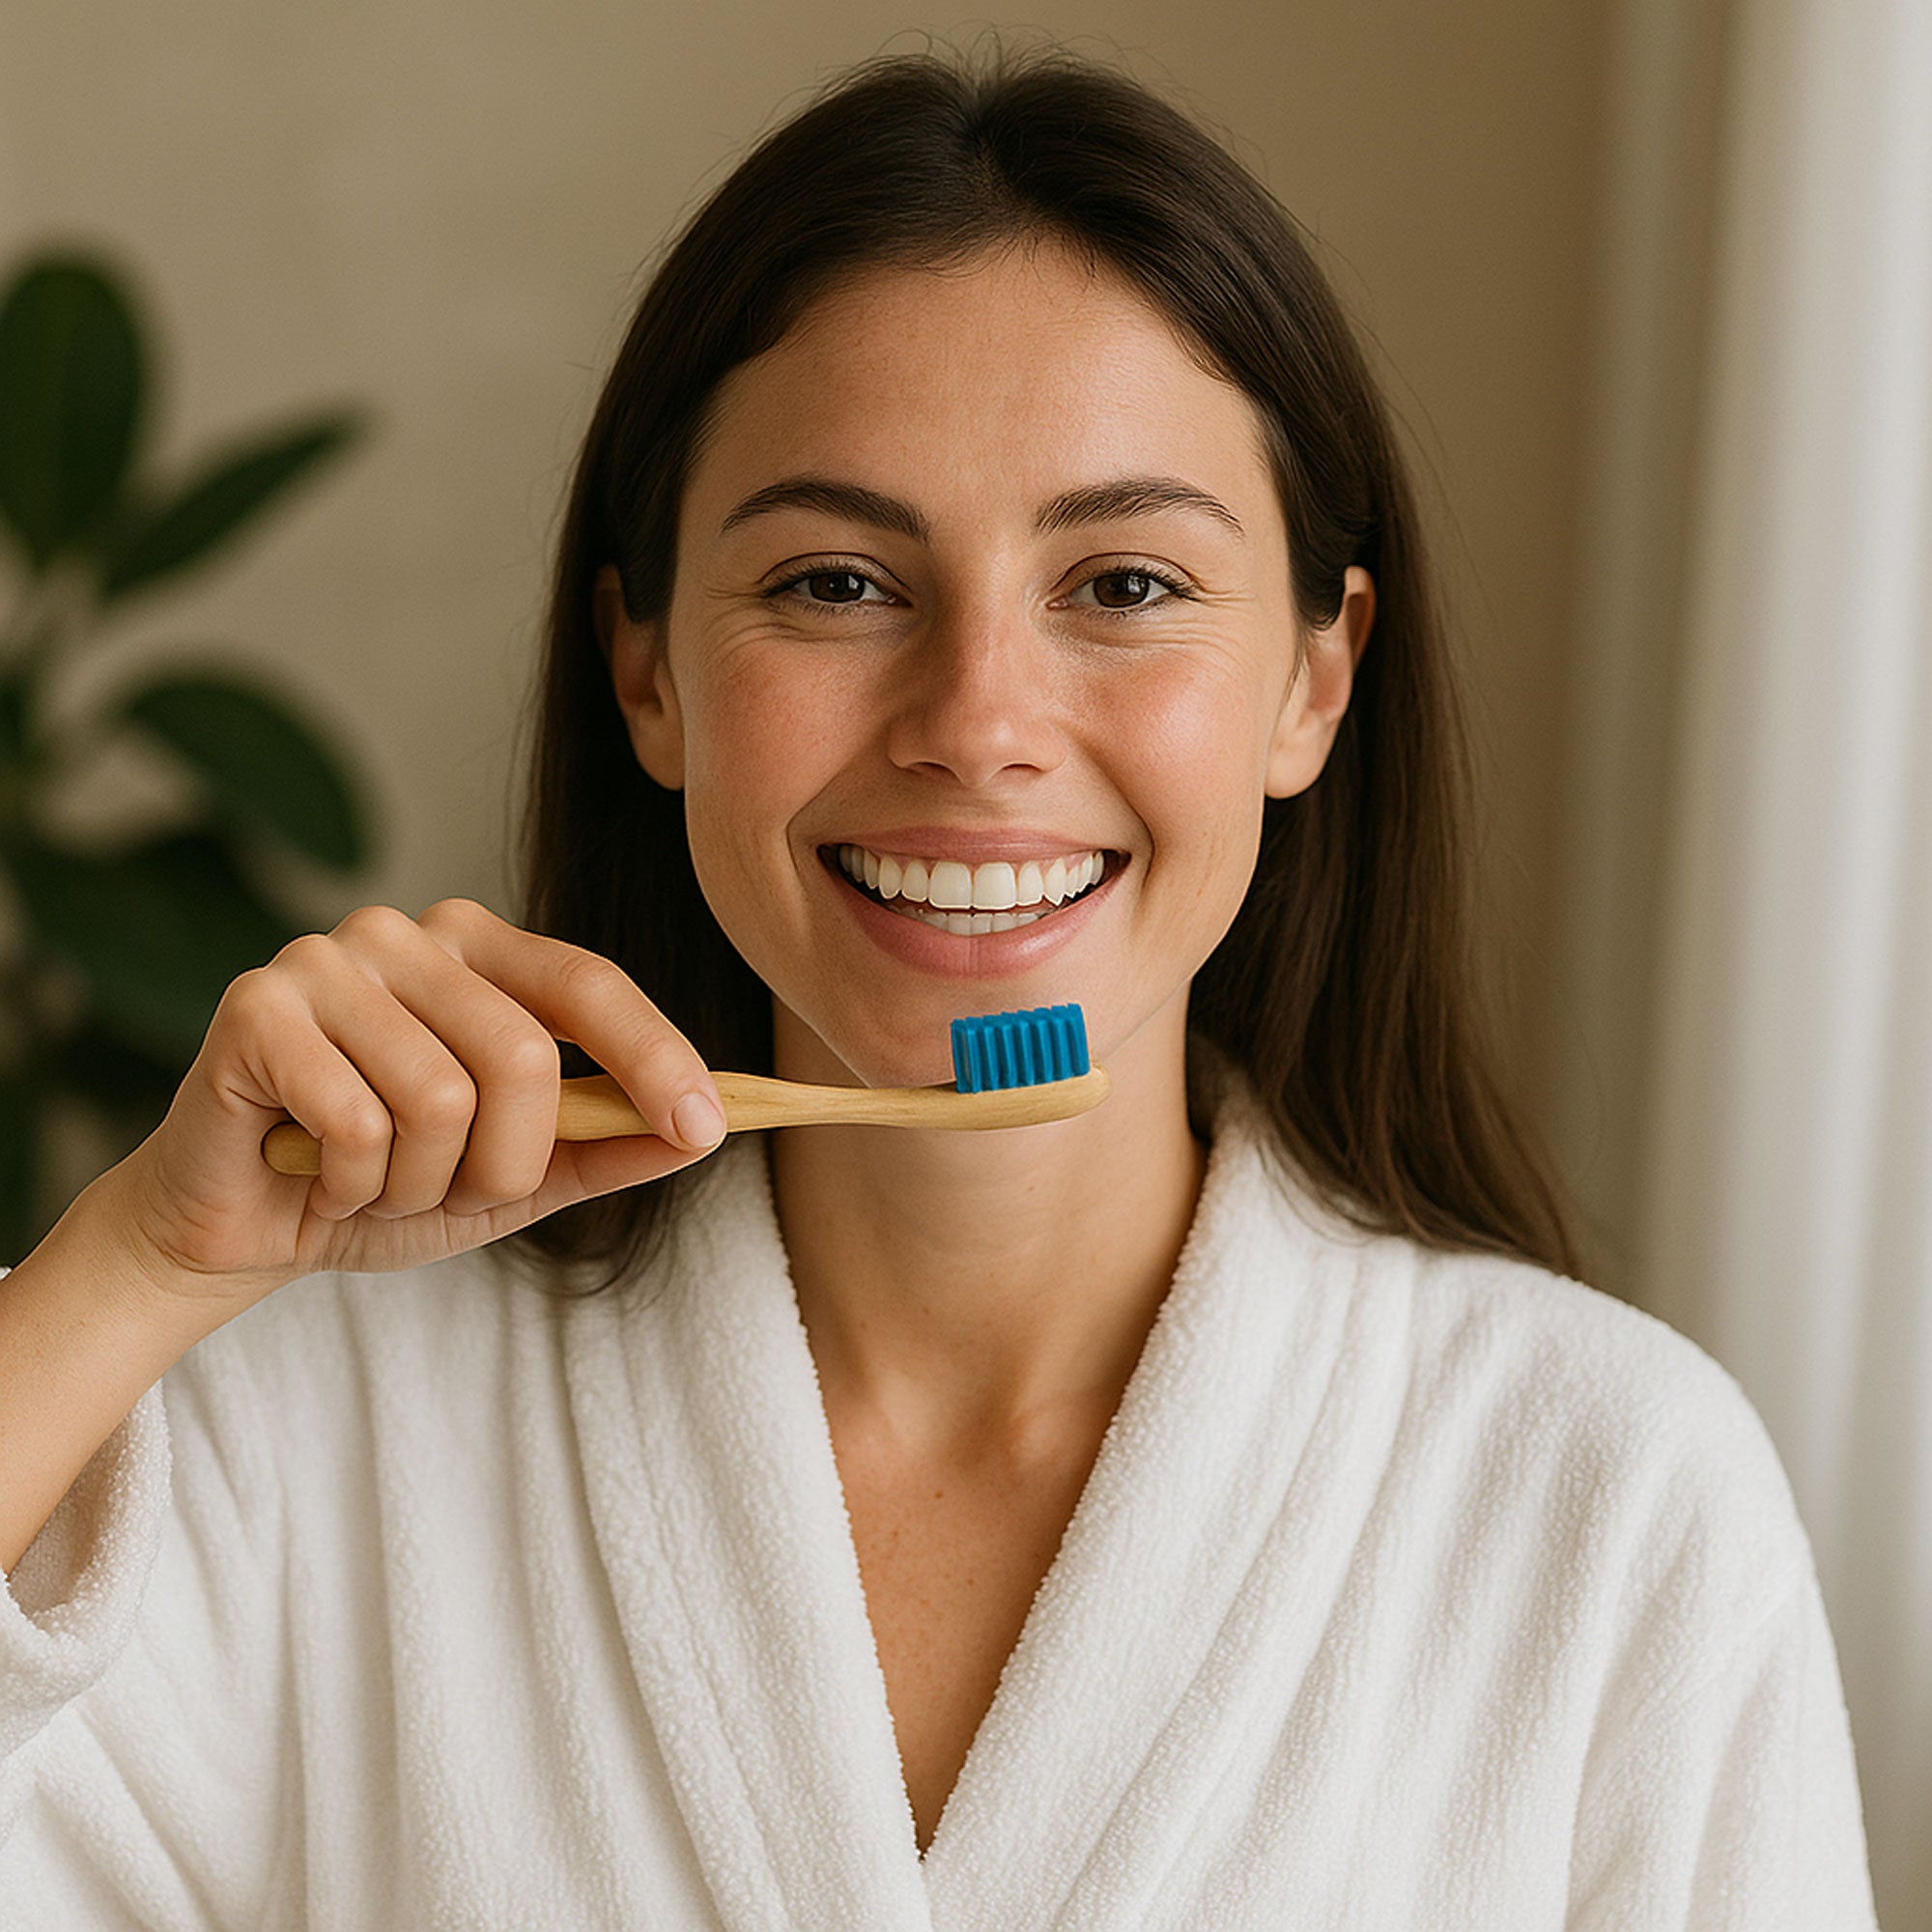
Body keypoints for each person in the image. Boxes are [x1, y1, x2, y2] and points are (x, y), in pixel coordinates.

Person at [0, 48, 1877, 1931]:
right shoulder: (301, 1432)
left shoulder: (1614, 1501)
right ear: (645, 671)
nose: (978, 726)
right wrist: (137, 1273)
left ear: (1316, 678)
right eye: (833, 582)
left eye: (1125, 585)